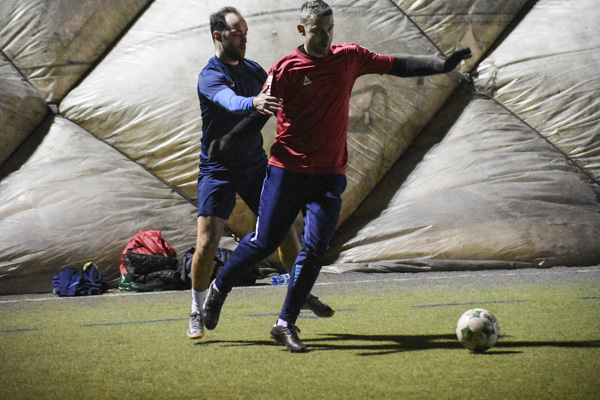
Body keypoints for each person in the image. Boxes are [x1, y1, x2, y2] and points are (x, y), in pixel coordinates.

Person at [202, 0, 472, 352]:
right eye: (318, 30)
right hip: (287, 171)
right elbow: (260, 114)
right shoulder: (286, 69)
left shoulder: (349, 57)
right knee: (265, 242)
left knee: (315, 248)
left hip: (329, 174)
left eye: (329, 29)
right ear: (302, 30)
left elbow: (396, 65)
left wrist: (442, 65)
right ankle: (220, 287)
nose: (325, 36)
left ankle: (285, 323)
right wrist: (228, 143)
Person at [187, 6, 335, 340]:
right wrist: (252, 102)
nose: (244, 39)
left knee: (285, 231)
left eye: (246, 33)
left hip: (254, 165)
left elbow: (282, 95)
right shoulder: (210, 76)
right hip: (217, 168)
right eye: (237, 33)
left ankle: (299, 292)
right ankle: (197, 308)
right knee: (207, 242)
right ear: (218, 36)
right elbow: (229, 100)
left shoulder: (254, 70)